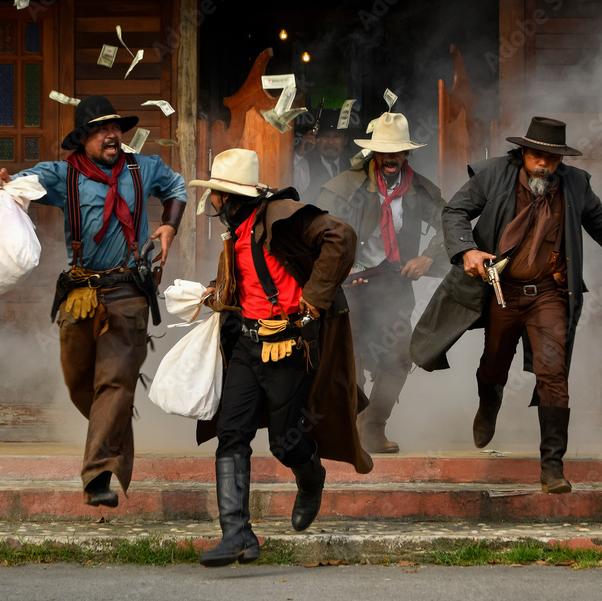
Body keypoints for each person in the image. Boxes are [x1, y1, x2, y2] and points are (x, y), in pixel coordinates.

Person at [410, 116, 602, 493]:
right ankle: (489, 403)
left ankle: (552, 467)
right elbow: (454, 212)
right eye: (536, 156)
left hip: (549, 293)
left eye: (551, 158)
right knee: (494, 363)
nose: (543, 164)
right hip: (503, 289)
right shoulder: (494, 175)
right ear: (523, 153)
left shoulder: (575, 184)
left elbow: (596, 216)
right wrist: (466, 250)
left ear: (560, 159)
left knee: (554, 375)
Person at [0, 95, 187, 507]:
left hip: (129, 292)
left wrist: (169, 226)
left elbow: (177, 186)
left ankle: (97, 477)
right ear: (82, 139)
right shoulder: (62, 175)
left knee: (114, 382)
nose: (111, 134)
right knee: (81, 384)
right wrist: (2, 184)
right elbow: (20, 186)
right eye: (100, 129)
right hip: (80, 293)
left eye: (114, 127)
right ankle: (113, 433)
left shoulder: (143, 167)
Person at [188, 148, 372, 567]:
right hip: (247, 347)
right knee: (231, 433)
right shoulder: (237, 230)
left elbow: (340, 237)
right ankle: (237, 535)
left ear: (232, 198)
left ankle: (312, 477)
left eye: (217, 195)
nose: (213, 202)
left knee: (284, 444)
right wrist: (214, 292)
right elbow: (251, 278)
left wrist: (312, 303)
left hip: (288, 347)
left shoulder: (282, 215)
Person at [316, 112, 447, 453]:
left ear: (406, 154)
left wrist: (428, 257)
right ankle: (345, 430)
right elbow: (317, 233)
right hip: (350, 284)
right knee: (350, 358)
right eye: (384, 151)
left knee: (400, 355)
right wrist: (338, 273)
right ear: (374, 154)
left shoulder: (418, 189)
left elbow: (452, 223)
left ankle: (372, 428)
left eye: (397, 151)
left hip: (392, 283)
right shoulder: (345, 187)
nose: (390, 157)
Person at [294, 109, 356, 203]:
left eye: (337, 136)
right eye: (325, 136)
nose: (330, 142)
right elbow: (289, 183)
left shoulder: (353, 166)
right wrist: (299, 154)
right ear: (315, 139)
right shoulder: (305, 165)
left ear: (345, 140)